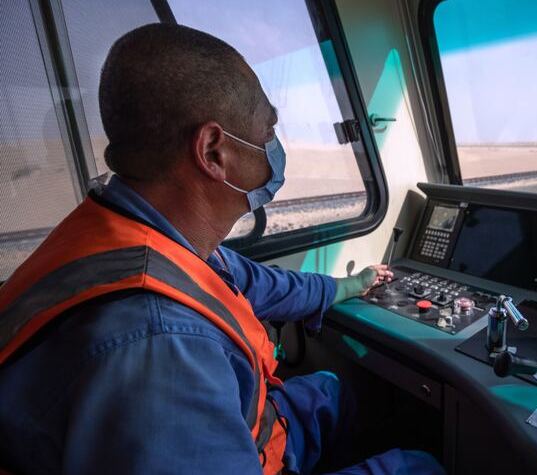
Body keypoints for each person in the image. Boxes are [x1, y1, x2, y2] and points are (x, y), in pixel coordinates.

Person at [0, 24, 445, 475]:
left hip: (254, 427)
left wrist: (350, 285)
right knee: (422, 467)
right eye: (268, 129)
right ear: (214, 152)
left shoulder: (139, 235)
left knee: (335, 388)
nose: (275, 145)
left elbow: (261, 284)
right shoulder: (162, 343)